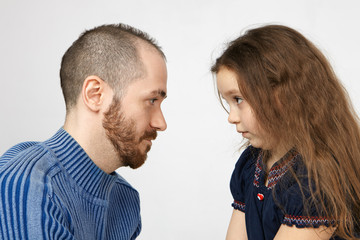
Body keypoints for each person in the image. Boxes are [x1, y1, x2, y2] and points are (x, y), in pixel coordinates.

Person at [0, 23, 167, 239]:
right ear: (95, 94)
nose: (161, 123)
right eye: (151, 100)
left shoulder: (125, 201)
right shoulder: (29, 186)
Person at [212, 25, 360, 240]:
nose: (231, 117)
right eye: (228, 102)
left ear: (283, 96)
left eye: (239, 99)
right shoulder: (250, 164)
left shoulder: (317, 178)